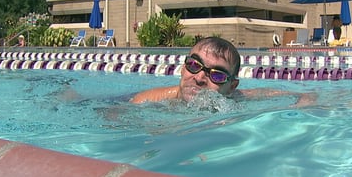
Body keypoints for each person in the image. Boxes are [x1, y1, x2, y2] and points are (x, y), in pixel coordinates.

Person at [130, 36, 316, 106]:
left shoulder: (237, 97)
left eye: (217, 75)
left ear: (231, 87)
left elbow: (303, 94)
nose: (200, 78)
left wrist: (303, 104)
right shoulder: (146, 101)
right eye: (194, 65)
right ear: (182, 68)